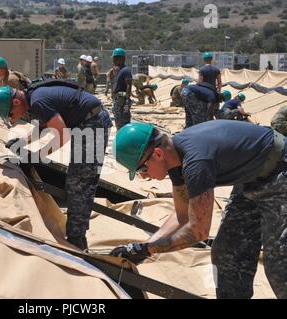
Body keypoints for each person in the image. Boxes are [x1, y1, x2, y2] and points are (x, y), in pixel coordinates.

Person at [111, 121, 287, 299]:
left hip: (280, 170)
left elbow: (198, 232)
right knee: (226, 252)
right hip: (252, 176)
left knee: (280, 266)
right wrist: (141, 247)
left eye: (142, 168)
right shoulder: (174, 159)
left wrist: (149, 250)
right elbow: (182, 215)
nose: (143, 176)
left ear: (157, 153)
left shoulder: (196, 163)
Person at [0, 83, 112, 251]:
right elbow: (43, 126)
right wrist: (23, 142)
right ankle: (77, 234)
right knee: (78, 180)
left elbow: (62, 135)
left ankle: (77, 240)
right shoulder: (33, 97)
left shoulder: (38, 101)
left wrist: (39, 156)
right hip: (88, 121)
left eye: (10, 114)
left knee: (80, 183)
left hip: (92, 124)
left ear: (16, 103)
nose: (12, 119)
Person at [111, 48, 133, 130]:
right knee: (118, 119)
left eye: (115, 58)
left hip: (123, 101)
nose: (113, 60)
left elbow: (129, 85)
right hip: (118, 100)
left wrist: (127, 101)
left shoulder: (126, 70)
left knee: (124, 119)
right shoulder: (118, 70)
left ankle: (124, 135)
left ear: (121, 59)